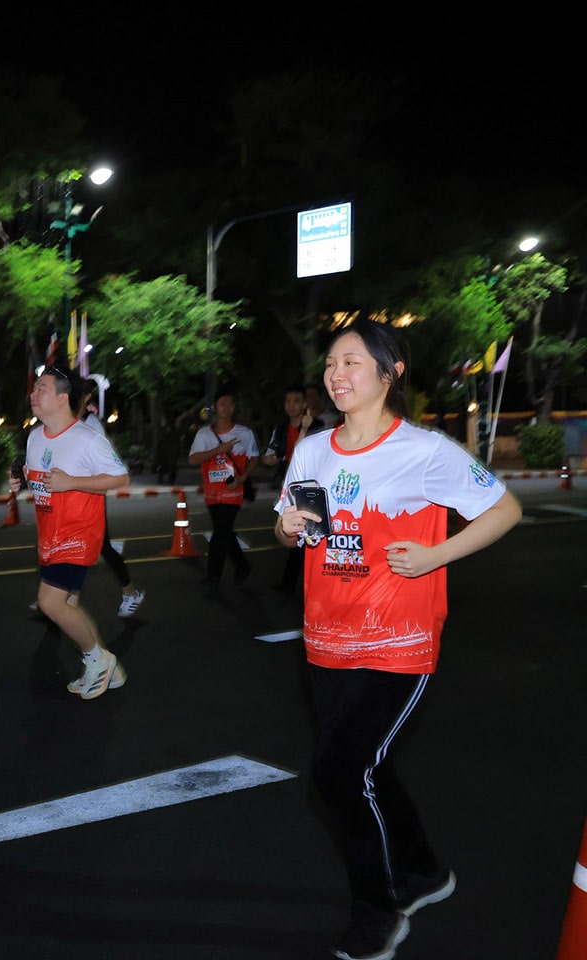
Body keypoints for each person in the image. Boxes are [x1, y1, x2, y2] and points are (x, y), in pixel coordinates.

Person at [274, 320, 521, 960]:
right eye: (331, 362)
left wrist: (437, 554)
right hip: (326, 636)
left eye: (352, 361)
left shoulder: (425, 450)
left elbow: (504, 510)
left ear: (391, 373)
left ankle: (379, 910)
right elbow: (291, 526)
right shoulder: (312, 449)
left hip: (398, 642)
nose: (337, 374)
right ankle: (426, 873)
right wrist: (288, 526)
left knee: (335, 774)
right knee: (365, 770)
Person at [9, 367, 131, 699]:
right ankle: (108, 667)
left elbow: (121, 479)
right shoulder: (35, 437)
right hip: (50, 536)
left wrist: (73, 482)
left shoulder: (88, 439)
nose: (33, 395)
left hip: (79, 534)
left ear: (63, 398)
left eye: (42, 389)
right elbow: (42, 481)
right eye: (33, 389)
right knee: (69, 604)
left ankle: (98, 660)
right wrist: (22, 482)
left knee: (51, 603)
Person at [77, 397, 146, 617]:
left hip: (91, 494)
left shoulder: (91, 424)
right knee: (61, 545)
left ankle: (131, 592)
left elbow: (110, 464)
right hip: (70, 497)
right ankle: (52, 597)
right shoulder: (63, 424)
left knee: (102, 546)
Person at [187, 391, 259, 588]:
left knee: (220, 532)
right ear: (215, 408)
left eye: (230, 404)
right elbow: (192, 459)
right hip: (212, 493)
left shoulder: (244, 433)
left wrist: (242, 478)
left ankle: (213, 575)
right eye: (222, 404)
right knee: (224, 531)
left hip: (233, 490)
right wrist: (218, 450)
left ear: (234, 408)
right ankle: (242, 566)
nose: (226, 407)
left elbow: (254, 457)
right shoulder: (204, 434)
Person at [262, 385, 327, 593]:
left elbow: (305, 452)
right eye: (288, 401)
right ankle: (293, 583)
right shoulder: (281, 428)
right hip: (288, 486)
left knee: (308, 534)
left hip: (311, 486)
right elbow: (269, 456)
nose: (291, 406)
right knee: (293, 532)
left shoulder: (318, 426)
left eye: (296, 401)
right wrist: (273, 459)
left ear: (305, 404)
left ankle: (300, 583)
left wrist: (306, 429)